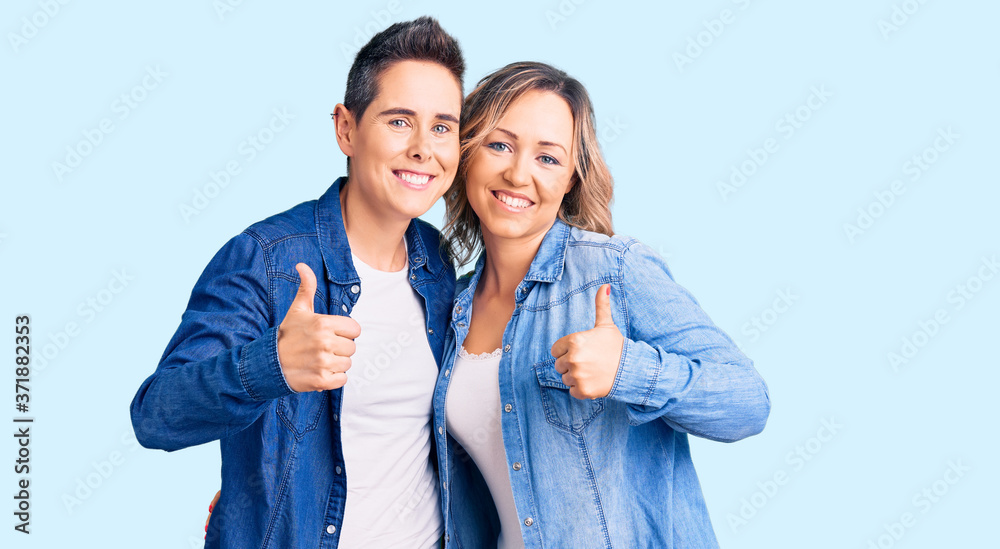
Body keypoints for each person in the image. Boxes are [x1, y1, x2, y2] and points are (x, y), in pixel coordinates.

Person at [130, 17, 464, 548]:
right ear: (346, 129)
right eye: (399, 121)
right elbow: (155, 415)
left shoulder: (437, 264)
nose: (424, 148)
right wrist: (270, 366)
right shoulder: (265, 258)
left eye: (443, 127)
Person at [433, 62, 771, 548]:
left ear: (571, 177)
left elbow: (748, 403)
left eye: (548, 158)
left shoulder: (614, 271)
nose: (517, 173)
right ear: (467, 155)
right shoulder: (452, 307)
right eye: (499, 145)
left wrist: (629, 371)